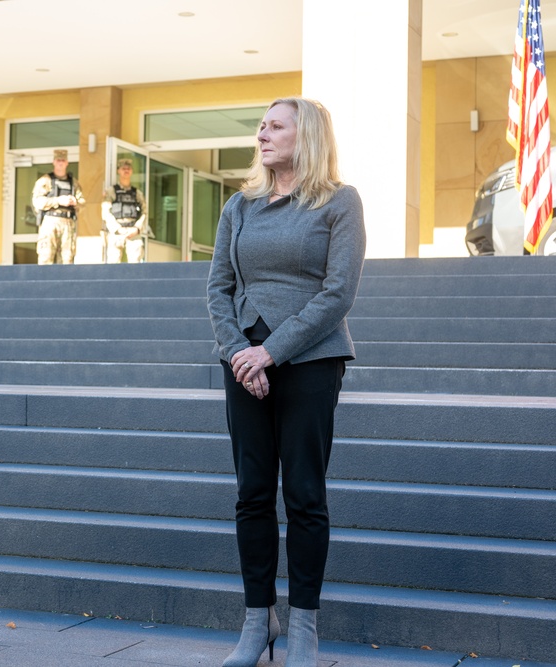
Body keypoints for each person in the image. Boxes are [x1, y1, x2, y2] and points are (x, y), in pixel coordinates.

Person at [206, 97, 365, 667]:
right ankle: (257, 623)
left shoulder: (339, 202)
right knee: (251, 494)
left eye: (275, 126)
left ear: (308, 135)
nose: (261, 134)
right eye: (261, 126)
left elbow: (338, 292)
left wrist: (270, 352)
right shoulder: (239, 205)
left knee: (303, 495)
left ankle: (303, 630)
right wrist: (238, 354)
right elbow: (218, 287)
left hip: (310, 364)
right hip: (242, 363)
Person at [32, 148, 84, 264]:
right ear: (54, 162)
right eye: (58, 160)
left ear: (67, 162)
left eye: (63, 160)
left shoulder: (73, 183)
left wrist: (75, 202)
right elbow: (37, 201)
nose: (60, 162)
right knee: (46, 258)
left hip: (68, 222)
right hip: (50, 221)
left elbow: (82, 202)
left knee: (67, 259)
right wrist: (58, 201)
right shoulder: (45, 180)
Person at [101, 158, 148, 263]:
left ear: (131, 171)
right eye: (123, 168)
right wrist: (118, 229)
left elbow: (144, 212)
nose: (126, 171)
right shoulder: (111, 191)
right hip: (116, 233)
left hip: (133, 233)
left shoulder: (137, 193)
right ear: (118, 170)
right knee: (113, 266)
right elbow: (105, 212)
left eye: (128, 168)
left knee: (135, 266)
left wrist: (136, 229)